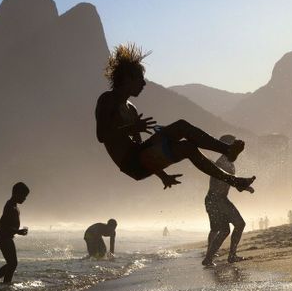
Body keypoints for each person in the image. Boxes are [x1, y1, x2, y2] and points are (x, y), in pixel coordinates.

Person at [95, 44, 255, 192]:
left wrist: (163, 175)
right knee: (182, 133)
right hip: (131, 163)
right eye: (139, 78)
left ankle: (234, 177)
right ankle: (227, 150)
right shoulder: (107, 100)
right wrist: (133, 129)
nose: (144, 83)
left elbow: (139, 146)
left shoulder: (131, 108)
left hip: (141, 157)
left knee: (185, 139)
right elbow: (101, 136)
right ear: (127, 79)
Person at [202, 135, 248, 266]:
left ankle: (209, 258)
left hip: (214, 199)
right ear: (227, 147)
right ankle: (229, 256)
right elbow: (230, 181)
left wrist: (244, 185)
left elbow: (232, 182)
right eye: (234, 145)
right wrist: (243, 185)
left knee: (224, 230)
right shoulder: (223, 163)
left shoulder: (226, 162)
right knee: (238, 225)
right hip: (217, 199)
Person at [0, 182, 29, 283]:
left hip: (6, 236)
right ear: (16, 193)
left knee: (11, 264)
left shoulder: (15, 206)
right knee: (12, 263)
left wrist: (17, 231)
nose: (25, 199)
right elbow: (1, 225)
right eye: (23, 196)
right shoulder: (10, 206)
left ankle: (4, 283)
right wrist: (18, 231)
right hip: (2, 236)